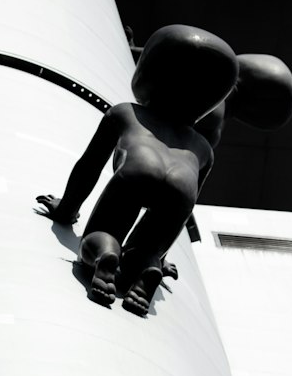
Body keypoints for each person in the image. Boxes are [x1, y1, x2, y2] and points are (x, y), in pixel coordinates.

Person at [36, 24, 238, 315]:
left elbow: (89, 167)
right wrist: (160, 255)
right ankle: (147, 269)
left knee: (103, 231)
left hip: (140, 169)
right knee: (147, 250)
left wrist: (66, 209)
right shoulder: (203, 149)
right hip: (182, 185)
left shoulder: (126, 112)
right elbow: (183, 213)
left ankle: (104, 255)